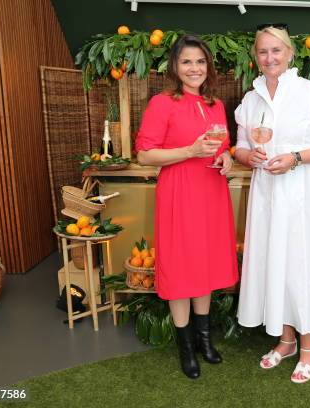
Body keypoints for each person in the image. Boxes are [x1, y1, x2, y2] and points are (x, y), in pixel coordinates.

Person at [234, 24, 310, 384]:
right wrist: (246, 156)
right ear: (256, 57)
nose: (270, 58)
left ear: (290, 53)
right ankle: (285, 340)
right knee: (275, 261)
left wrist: (296, 157)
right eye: (263, 52)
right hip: (267, 193)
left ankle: (308, 345)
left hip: (304, 194)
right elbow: (239, 145)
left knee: (303, 263)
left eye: (276, 51)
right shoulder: (251, 99)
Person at [136, 34, 239, 380]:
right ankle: (186, 347)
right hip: (179, 193)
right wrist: (188, 152)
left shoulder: (215, 105)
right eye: (186, 62)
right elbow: (145, 154)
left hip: (211, 191)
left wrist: (225, 157)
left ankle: (204, 340)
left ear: (207, 66)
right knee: (181, 267)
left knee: (204, 265)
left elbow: (221, 146)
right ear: (175, 67)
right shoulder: (162, 103)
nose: (194, 68)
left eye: (199, 61)